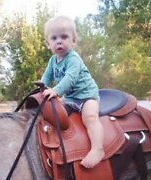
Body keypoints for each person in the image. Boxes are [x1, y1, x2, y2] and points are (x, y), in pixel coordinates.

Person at [40, 15, 105, 169]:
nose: (59, 41)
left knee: (90, 117)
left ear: (73, 41)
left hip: (87, 96)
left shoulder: (73, 59)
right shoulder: (52, 61)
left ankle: (98, 149)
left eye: (64, 37)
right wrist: (41, 88)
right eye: (54, 38)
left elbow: (70, 79)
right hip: (70, 98)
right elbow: (47, 76)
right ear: (48, 43)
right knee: (53, 113)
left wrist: (55, 90)